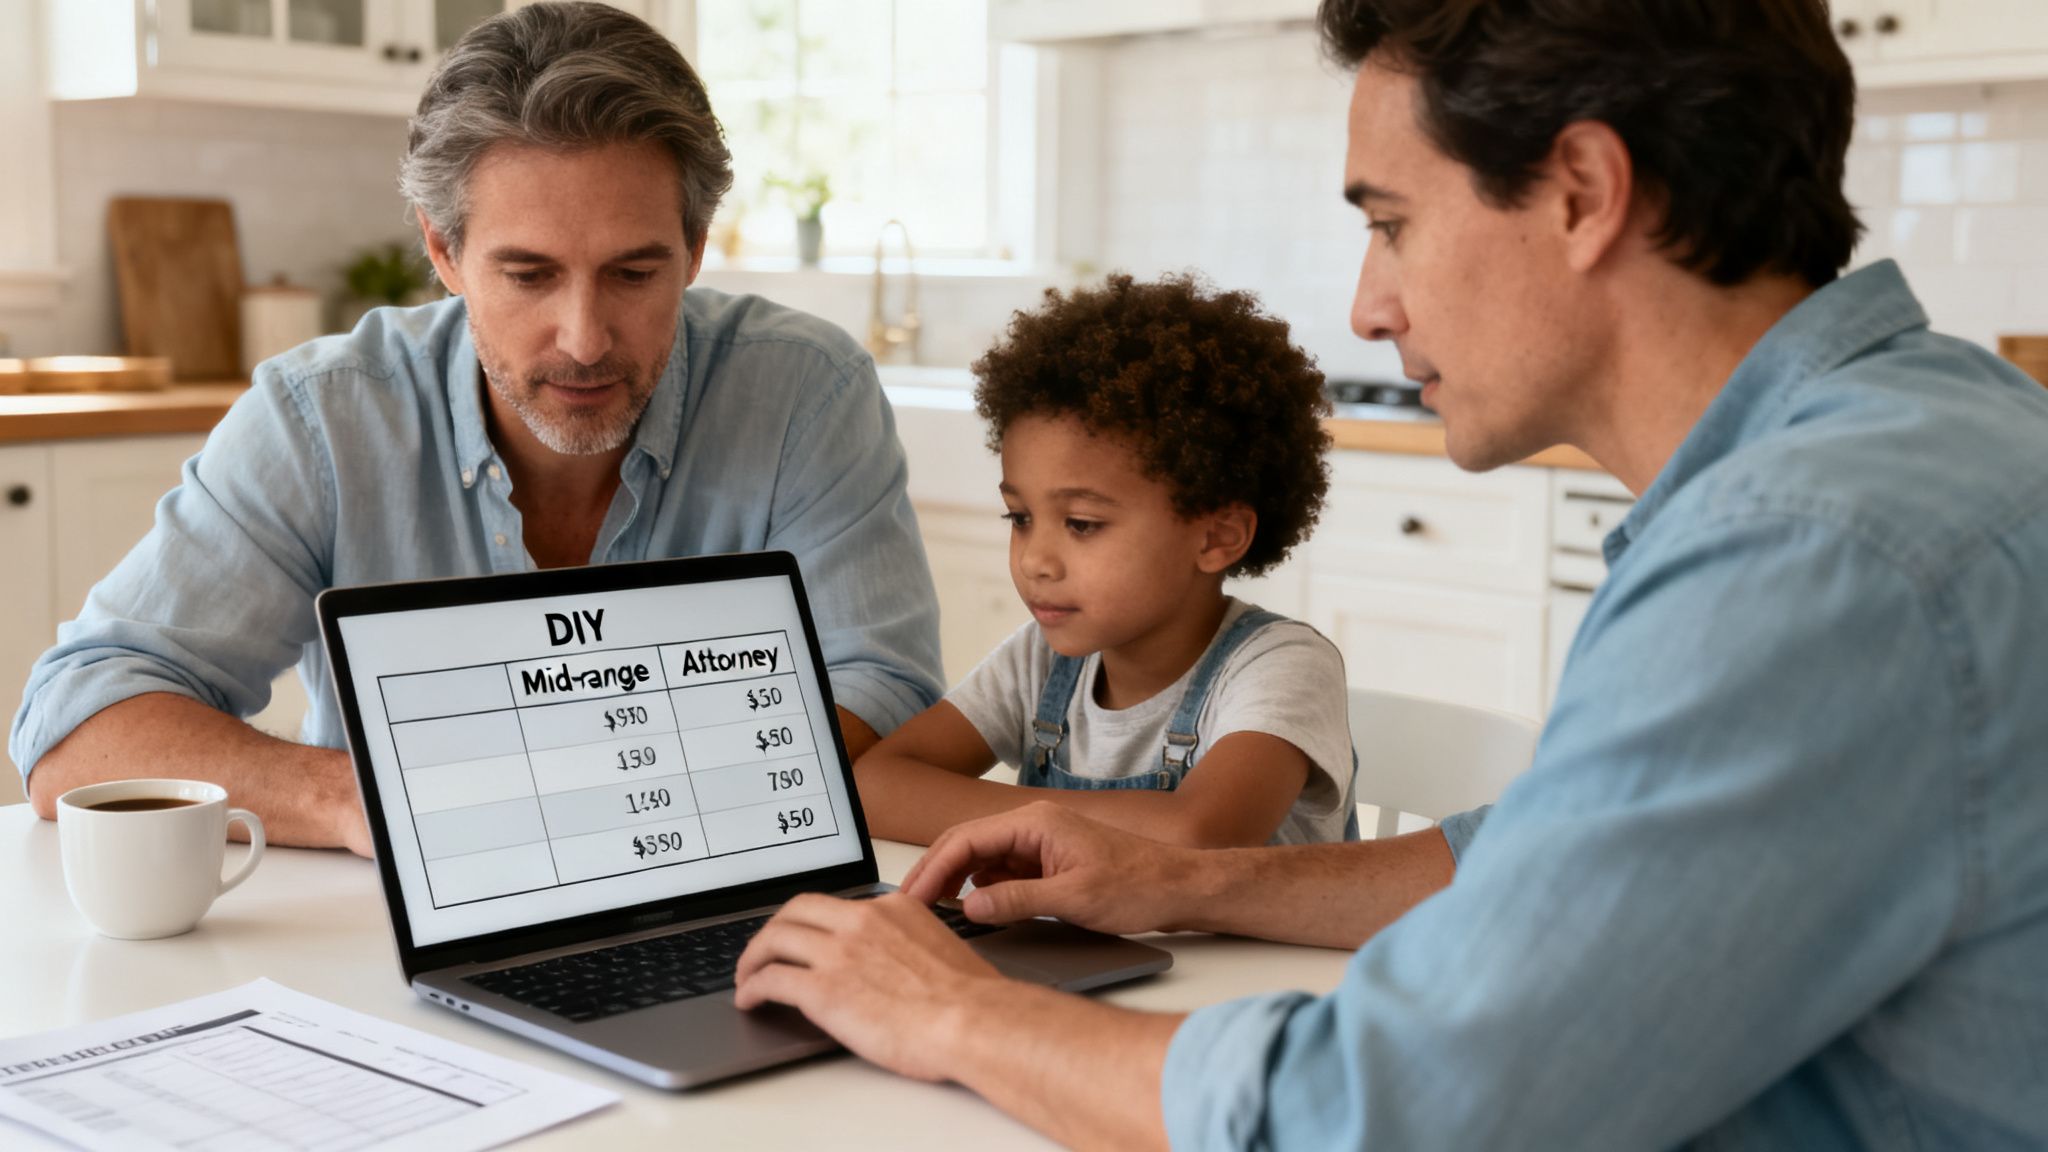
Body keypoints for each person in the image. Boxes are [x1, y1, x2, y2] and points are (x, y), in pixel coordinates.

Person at [732, 0, 2048, 1147]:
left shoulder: (1814, 555)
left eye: (1392, 223)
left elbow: (1382, 1117)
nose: (1368, 305)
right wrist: (1189, 881)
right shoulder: (1925, 430)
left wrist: (951, 1011)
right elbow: (1541, 858)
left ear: (1584, 191)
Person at [9, 2, 943, 855]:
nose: (584, 339)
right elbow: (74, 727)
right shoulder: (321, 418)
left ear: (695, 250)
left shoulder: (805, 393)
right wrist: (364, 799)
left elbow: (887, 696)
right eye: (530, 275)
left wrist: (580, 799)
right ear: (443, 251)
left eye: (633, 273)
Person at [856, 273, 1356, 849]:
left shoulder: (1283, 665)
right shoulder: (1037, 663)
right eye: (1019, 518)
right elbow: (873, 786)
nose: (1036, 561)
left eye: (1081, 524)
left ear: (1217, 535)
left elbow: (1198, 836)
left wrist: (1001, 818)